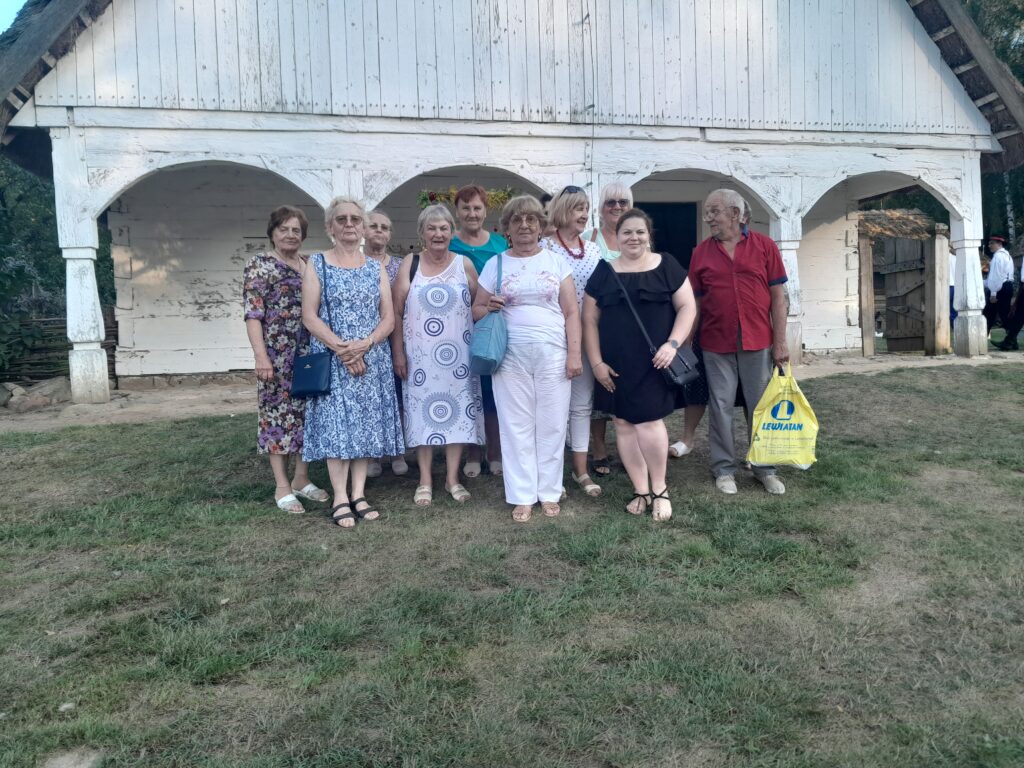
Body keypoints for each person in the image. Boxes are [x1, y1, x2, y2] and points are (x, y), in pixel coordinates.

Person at [472, 195, 582, 522]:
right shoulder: (496, 264)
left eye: (531, 219)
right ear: (506, 227)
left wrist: (574, 354)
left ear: (540, 225)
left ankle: (549, 491)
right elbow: (476, 310)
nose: (524, 225)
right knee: (515, 424)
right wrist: (488, 306)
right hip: (509, 354)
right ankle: (521, 494)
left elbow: (571, 311)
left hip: (553, 352)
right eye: (517, 220)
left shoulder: (556, 262)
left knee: (552, 423)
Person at [583, 209, 697, 522]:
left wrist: (672, 344)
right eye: (627, 232)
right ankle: (640, 490)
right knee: (622, 423)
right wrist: (596, 363)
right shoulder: (604, 271)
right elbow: (589, 319)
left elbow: (687, 307)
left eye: (639, 232)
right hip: (615, 364)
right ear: (617, 237)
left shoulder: (667, 265)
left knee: (648, 423)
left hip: (656, 361)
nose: (633, 238)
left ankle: (660, 489)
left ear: (649, 235)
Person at [301, 198, 404, 528]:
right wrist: (343, 350)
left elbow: (388, 318)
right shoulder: (317, 263)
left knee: (365, 426)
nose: (349, 224)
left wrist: (366, 345)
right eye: (341, 219)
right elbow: (309, 316)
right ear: (329, 227)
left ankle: (358, 494)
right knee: (337, 428)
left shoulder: (376, 268)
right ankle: (340, 497)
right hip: (334, 359)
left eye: (355, 219)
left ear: (362, 227)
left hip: (372, 359)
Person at [688, 189, 789, 496]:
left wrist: (781, 342)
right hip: (715, 341)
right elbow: (695, 301)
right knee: (720, 406)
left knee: (760, 405)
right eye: (706, 212)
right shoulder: (700, 253)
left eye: (714, 211)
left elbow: (778, 297)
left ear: (735, 213)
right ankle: (723, 469)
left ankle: (764, 468)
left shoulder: (765, 246)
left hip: (758, 339)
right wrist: (687, 341)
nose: (708, 218)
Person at [391, 205, 484, 506]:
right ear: (422, 233)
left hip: (459, 358)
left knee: (457, 414)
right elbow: (396, 311)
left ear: (452, 232)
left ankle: (452, 478)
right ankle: (425, 480)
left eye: (444, 228)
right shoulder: (411, 264)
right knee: (422, 415)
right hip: (420, 358)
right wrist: (398, 353)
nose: (438, 234)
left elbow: (478, 305)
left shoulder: (464, 264)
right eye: (431, 228)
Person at [243, 206, 329, 513]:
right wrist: (261, 356)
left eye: (296, 230)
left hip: (308, 353)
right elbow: (253, 315)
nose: (290, 235)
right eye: (284, 229)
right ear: (272, 232)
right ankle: (281, 486)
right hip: (276, 356)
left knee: (306, 415)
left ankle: (301, 478)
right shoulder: (260, 265)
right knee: (277, 418)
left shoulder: (309, 264)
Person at [541, 185, 604, 498]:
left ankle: (581, 470)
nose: (584, 215)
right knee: (552, 409)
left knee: (581, 407)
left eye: (586, 209)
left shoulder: (593, 251)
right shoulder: (543, 248)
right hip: (552, 339)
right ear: (563, 210)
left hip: (587, 337)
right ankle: (551, 474)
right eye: (579, 208)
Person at [450, 184, 508, 478]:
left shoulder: (500, 245)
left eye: (477, 208)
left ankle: (494, 451)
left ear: (486, 212)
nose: (471, 214)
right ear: (457, 212)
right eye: (466, 208)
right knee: (468, 392)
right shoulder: (449, 245)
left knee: (492, 392)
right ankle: (472, 452)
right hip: (455, 328)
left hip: (491, 325)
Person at [582, 182, 634, 478]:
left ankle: (631, 449)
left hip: (630, 326)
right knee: (598, 389)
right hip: (597, 323)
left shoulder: (637, 238)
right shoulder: (589, 238)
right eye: (610, 202)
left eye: (622, 202)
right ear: (600, 208)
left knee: (630, 387)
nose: (617, 207)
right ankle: (599, 448)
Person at [364, 210, 409, 478]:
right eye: (373, 226)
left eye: (384, 227)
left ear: (390, 234)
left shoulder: (400, 265)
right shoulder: (355, 263)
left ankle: (397, 452)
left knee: (397, 398)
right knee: (372, 399)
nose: (379, 230)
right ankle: (373, 454)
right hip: (368, 342)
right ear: (364, 231)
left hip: (396, 339)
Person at [984, 235, 1015, 334]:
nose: (989, 245)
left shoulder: (998, 256)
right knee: (1002, 313)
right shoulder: (1007, 255)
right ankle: (1011, 336)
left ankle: (1011, 336)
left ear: (999, 244)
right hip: (1007, 286)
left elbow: (996, 276)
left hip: (1000, 288)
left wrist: (993, 293)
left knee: (991, 313)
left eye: (992, 243)